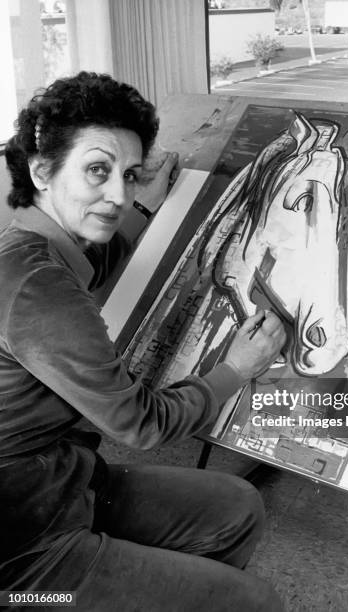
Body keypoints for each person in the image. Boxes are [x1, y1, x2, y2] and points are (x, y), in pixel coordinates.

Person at [0, 72, 286, 611]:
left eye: (128, 175)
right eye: (97, 171)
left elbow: (92, 262)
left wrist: (145, 209)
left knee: (237, 505)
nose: (118, 195)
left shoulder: (31, 247)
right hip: (23, 560)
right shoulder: (38, 289)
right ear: (42, 171)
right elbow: (144, 424)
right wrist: (237, 368)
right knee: (252, 603)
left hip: (63, 484)